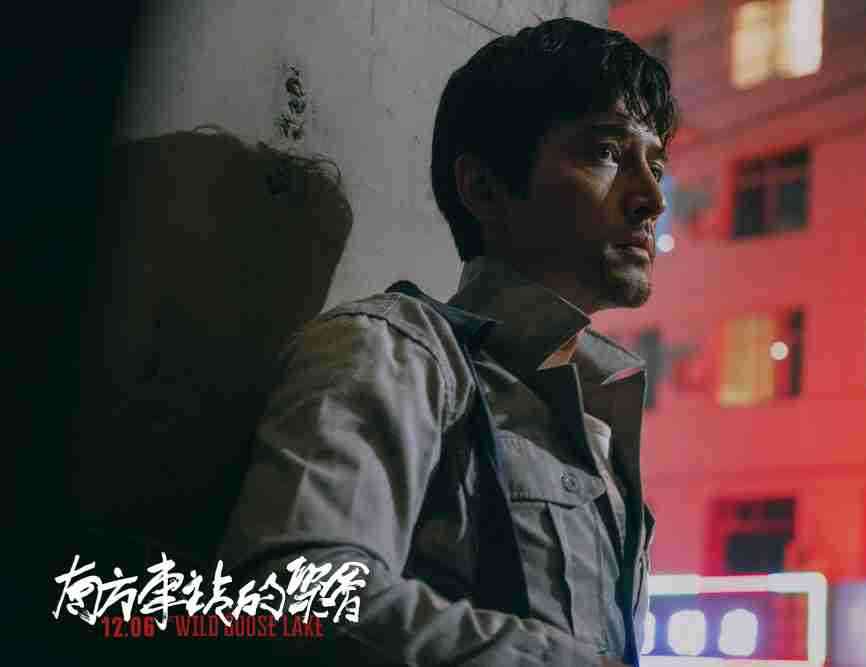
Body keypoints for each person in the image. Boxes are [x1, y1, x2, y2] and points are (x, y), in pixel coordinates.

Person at [219, 16, 678, 667]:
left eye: (656, 164)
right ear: (483, 187)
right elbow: (292, 597)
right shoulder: (394, 353)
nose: (652, 197)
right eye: (606, 152)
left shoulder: (597, 420)